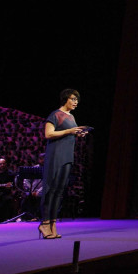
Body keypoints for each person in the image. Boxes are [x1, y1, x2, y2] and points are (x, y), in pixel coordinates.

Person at [40, 89, 87, 239]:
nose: (75, 102)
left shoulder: (71, 117)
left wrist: (78, 133)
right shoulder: (55, 115)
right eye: (73, 99)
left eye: (77, 100)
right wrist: (69, 131)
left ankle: (53, 223)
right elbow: (48, 134)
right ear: (65, 99)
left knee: (59, 191)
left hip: (67, 157)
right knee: (50, 189)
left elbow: (69, 132)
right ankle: (45, 223)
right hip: (55, 156)